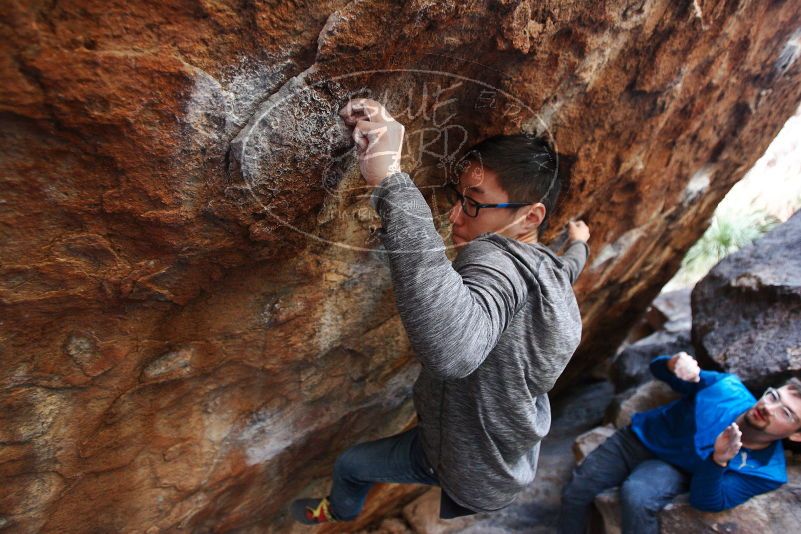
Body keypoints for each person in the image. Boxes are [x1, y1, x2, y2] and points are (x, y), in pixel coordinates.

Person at [290, 98, 591, 524]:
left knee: (351, 466)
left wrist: (391, 180)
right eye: (459, 197)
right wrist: (581, 240)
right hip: (508, 456)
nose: (455, 216)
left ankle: (336, 512)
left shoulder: (495, 259)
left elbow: (455, 347)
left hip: (463, 465)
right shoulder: (554, 270)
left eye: (474, 202)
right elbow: (571, 264)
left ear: (530, 217)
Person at [558, 351, 801, 534]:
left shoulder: (767, 471)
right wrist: (674, 363)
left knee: (638, 495)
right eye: (773, 396)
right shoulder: (726, 389)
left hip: (673, 469)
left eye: (786, 413)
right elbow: (662, 371)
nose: (768, 408)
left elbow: (706, 502)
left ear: (797, 435)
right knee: (577, 491)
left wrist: (718, 461)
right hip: (640, 439)